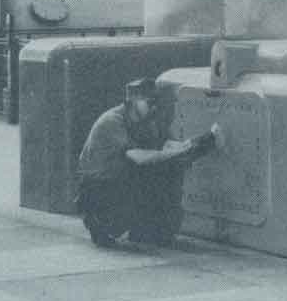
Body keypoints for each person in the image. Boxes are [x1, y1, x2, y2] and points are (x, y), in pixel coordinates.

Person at [74, 78, 218, 247]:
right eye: (149, 102)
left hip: (121, 180)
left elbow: (166, 147)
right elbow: (139, 157)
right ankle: (100, 225)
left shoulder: (145, 121)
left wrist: (200, 142)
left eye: (156, 102)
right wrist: (177, 152)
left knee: (168, 168)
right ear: (133, 101)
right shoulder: (112, 121)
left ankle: (144, 232)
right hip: (99, 189)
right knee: (157, 167)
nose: (154, 107)